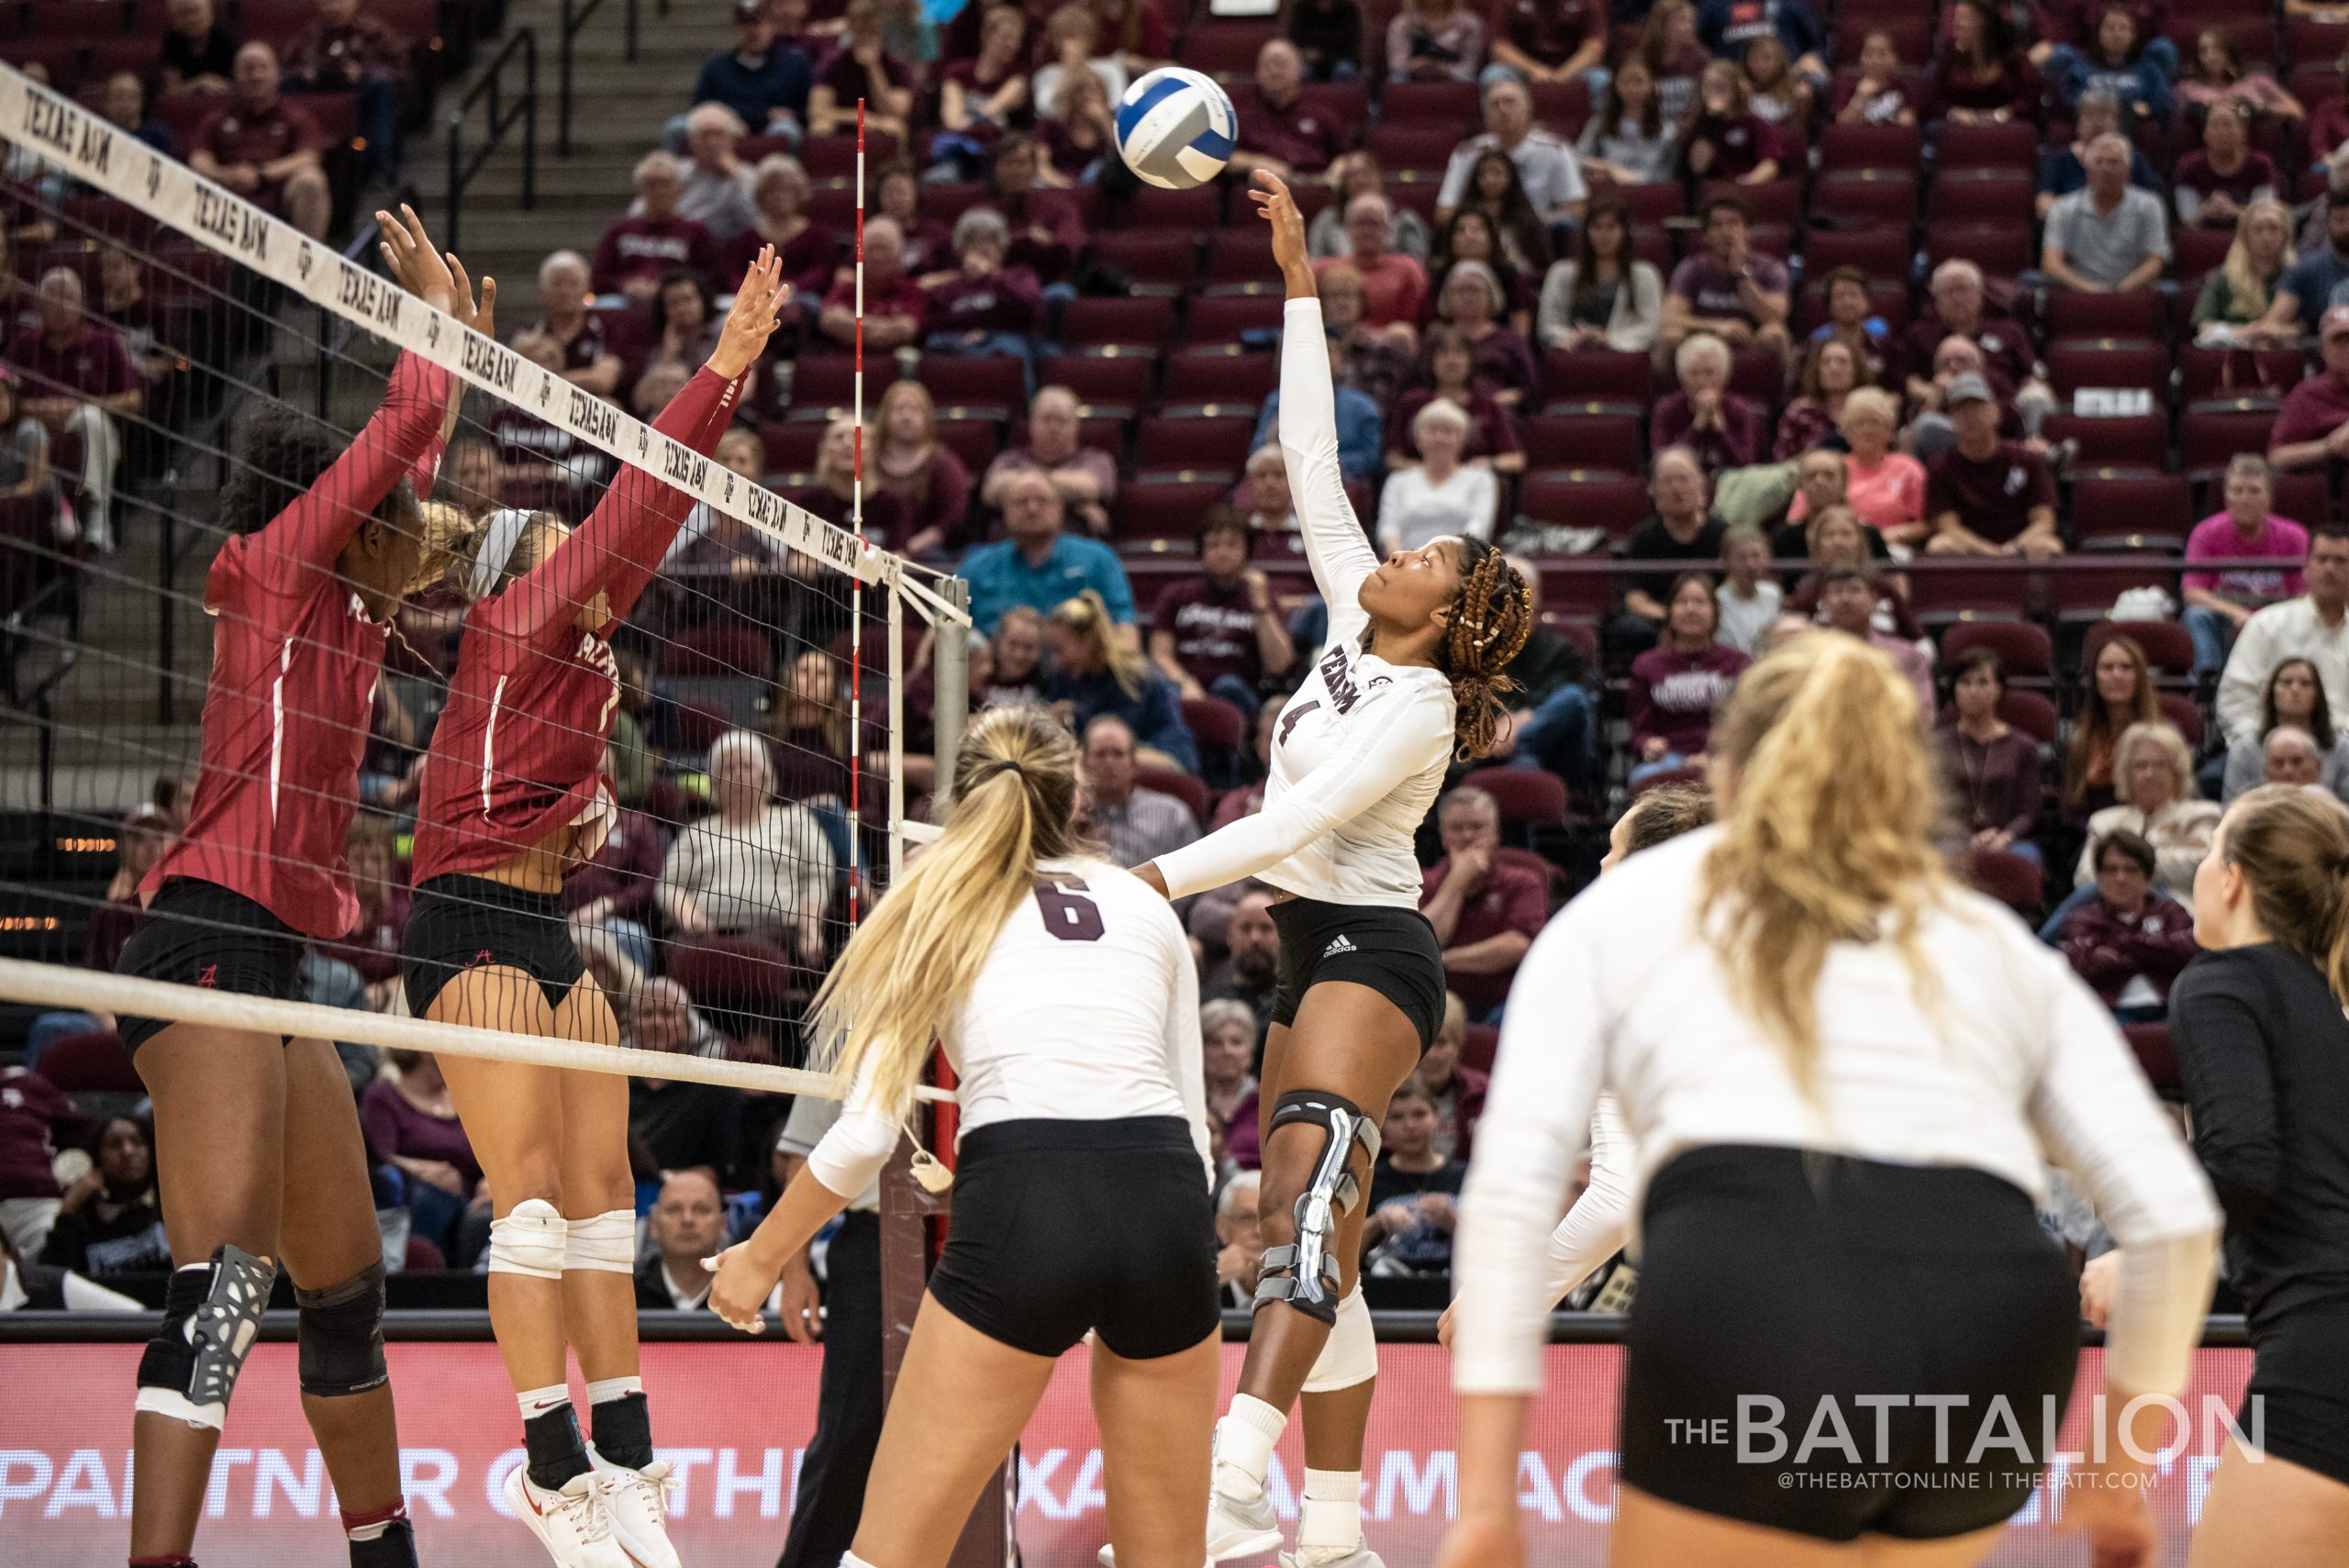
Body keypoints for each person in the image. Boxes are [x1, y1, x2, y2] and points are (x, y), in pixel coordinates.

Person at [1441, 635, 2221, 1568]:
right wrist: (2116, 1462)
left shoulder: (1623, 907)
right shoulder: (1992, 940)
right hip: (1995, 1326)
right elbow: (2173, 1217)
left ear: (1725, 775)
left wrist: (1485, 1500)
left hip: (1761, 1299)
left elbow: (1511, 1193)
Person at [1128, 171, 1532, 1568]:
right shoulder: (1362, 631)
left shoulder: (1418, 706)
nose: (1395, 552)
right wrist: (1298, 280)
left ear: (1455, 615)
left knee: (1309, 1206)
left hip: (1375, 950)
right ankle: (1342, 1532)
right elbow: (1309, 457)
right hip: (1309, 951)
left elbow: (1292, 839)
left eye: (1427, 555)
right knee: (1315, 1228)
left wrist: (1155, 881)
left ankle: (1234, 1474)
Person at [397, 256, 785, 1568]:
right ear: (528, 568)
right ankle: (547, 1465)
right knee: (533, 1204)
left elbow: (631, 537)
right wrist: (725, 367)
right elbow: (644, 502)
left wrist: (588, 812)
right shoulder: (524, 623)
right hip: (461, 920)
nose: (585, 549)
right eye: (563, 543)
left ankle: (626, 1461)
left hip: (544, 924)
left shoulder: (589, 664)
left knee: (605, 1194)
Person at [106, 206, 475, 1568]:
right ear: (342, 517)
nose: (418, 536)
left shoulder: (358, 627)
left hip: (280, 970)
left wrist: (458, 360)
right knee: (219, 1289)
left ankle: (384, 1552)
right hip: (201, 937)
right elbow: (392, 446)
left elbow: (415, 476)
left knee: (345, 1291)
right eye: (396, 520)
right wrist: (425, 345)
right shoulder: (264, 573)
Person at [706, 703, 1219, 1568]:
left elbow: (866, 1134)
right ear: (1074, 795)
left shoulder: (932, 898)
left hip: (1025, 1199)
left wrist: (760, 1255)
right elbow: (1196, 1131)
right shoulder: (1144, 904)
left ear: (957, 794)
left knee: (886, 1557)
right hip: (1165, 1208)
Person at [2165, 786, 2349, 1566]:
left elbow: (2241, 1162)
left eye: (2209, 852)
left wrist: (2143, 1256)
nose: (2201, 871)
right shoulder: (2329, 1007)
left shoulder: (2220, 981)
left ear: (2232, 878)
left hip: (2324, 1349)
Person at [658, 727, 838, 966]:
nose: (738, 774)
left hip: (779, 933)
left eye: (747, 767)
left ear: (765, 775)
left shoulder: (796, 820)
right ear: (715, 780)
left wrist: (810, 929)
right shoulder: (696, 832)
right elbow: (668, 886)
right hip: (706, 935)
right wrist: (688, 915)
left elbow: (818, 877)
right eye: (729, 768)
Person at [4, 269, 128, 558]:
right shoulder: (22, 346)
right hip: (31, 429)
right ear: (38, 305)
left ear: (82, 303)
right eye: (52, 298)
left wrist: (80, 403)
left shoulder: (104, 342)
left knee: (89, 418)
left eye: (68, 298)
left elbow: (133, 401)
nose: (60, 306)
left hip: (87, 426)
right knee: (28, 430)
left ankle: (98, 514)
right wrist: (32, 408)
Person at [1151, 508, 1297, 719]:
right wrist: (1185, 683)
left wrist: (1261, 606)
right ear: (1201, 552)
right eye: (1213, 545)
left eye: (1232, 545)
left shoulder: (1261, 596)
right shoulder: (1176, 594)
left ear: (1246, 550)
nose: (1222, 552)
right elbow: (1160, 655)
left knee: (1229, 686)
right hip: (1185, 688)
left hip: (1241, 694)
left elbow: (1280, 664)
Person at [1419, 785, 1547, 1023]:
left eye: (1477, 827)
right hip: (1439, 1004)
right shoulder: (1424, 882)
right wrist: (1456, 883)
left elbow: (1518, 945)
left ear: (1495, 832)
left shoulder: (1523, 881)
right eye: (1456, 828)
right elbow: (1425, 943)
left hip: (1502, 1005)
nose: (1467, 836)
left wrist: (1444, 960)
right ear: (1443, 836)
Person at [960, 471, 1135, 636]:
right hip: (995, 665)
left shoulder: (1098, 559)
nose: (1032, 509)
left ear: (1060, 508)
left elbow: (1124, 622)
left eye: (1042, 501)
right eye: (1021, 502)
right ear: (1005, 511)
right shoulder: (975, 567)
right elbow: (945, 630)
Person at [2218, 527, 2349, 747]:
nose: (2329, 569)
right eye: (2322, 559)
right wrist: (2266, 746)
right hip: (2272, 750)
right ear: (2306, 568)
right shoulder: (2266, 624)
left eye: (2341, 561)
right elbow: (2235, 701)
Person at [2185, 455, 2310, 678]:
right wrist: (2237, 614)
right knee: (2196, 616)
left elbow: (2303, 595)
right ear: (2226, 497)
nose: (2245, 499)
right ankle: (2207, 688)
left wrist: (2265, 620)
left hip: (2278, 620)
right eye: (2237, 490)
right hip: (2225, 618)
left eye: (2254, 491)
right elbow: (2193, 593)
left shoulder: (2294, 535)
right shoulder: (2205, 532)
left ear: (2269, 498)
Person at [2075, 720, 2221, 910]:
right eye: (2140, 766)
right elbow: (2085, 879)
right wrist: (2168, 845)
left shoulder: (2202, 815)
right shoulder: (2104, 822)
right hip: (2112, 918)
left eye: (2160, 765)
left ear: (2176, 771)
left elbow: (2201, 867)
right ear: (2126, 773)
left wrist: (2115, 866)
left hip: (2177, 917)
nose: (2149, 774)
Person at [1047, 591, 1199, 773]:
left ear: (1087, 641)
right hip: (1109, 759)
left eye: (1059, 650)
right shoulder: (1066, 676)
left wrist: (1076, 717)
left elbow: (1115, 743)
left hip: (1163, 756)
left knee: (1099, 759)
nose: (1055, 660)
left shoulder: (1132, 678)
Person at [2056, 828, 2201, 1021]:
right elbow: (2082, 965)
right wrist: (2152, 950)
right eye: (2110, 870)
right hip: (2107, 1015)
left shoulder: (2170, 911)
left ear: (2148, 877)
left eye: (2131, 869)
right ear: (2098, 878)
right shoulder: (2082, 919)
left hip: (2171, 1010)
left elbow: (2190, 953)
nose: (2120, 878)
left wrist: (2119, 947)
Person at [190, 43, 329, 239]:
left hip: (277, 191)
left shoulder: (297, 117)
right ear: (235, 76)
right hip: (226, 193)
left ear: (276, 74)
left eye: (263, 68)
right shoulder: (216, 119)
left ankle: (306, 262)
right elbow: (198, 159)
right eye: (248, 70)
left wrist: (260, 175)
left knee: (311, 180)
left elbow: (309, 158)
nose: (256, 76)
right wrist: (224, 175)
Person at [1898, 259, 2051, 439]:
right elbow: (1907, 379)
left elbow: (2032, 374)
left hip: (2004, 407)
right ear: (1936, 300)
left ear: (1980, 294)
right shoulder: (1919, 334)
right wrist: (1931, 391)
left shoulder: (2009, 330)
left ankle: (2035, 446)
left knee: (2037, 395)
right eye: (1948, 292)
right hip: (1948, 412)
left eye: (1963, 289)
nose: (1957, 298)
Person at [1628, 573, 1750, 785]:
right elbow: (1640, 731)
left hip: (1725, 755)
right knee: (1642, 777)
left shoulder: (1737, 663)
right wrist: (1648, 744)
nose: (1690, 609)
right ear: (1670, 612)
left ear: (1715, 612)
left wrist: (1712, 755)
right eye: (1682, 602)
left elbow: (1746, 724)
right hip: (1669, 759)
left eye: (1700, 602)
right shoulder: (1647, 665)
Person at [1923, 374, 2062, 559]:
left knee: (2047, 545)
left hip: (2021, 546)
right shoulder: (1940, 467)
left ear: (1996, 413)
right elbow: (1948, 526)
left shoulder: (2027, 460)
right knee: (1939, 545)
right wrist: (1987, 550)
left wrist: (2014, 547)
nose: (1970, 416)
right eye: (1961, 410)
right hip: (1969, 548)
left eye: (1978, 407)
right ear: (1952, 420)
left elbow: (2044, 521)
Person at [357, 1051, 480, 1252]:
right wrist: (424, 1170)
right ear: (426, 1053)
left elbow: (485, 1153)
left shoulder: (465, 1096)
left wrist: (490, 1183)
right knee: (430, 1201)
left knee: (486, 1218)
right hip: (415, 1195)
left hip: (470, 1197)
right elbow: (379, 1157)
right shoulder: (383, 1096)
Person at [1613, 447, 1726, 647]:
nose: (1676, 488)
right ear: (1653, 491)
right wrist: (1678, 618)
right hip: (1660, 620)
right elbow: (1635, 598)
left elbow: (1734, 592)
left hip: (1716, 619)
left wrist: (1701, 615)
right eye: (1667, 481)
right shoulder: (1643, 538)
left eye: (1684, 479)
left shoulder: (1723, 534)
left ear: (1701, 484)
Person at [1939, 647, 2043, 862]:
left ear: (1999, 689)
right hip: (1950, 838)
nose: (1973, 691)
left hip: (2010, 839)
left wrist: (2006, 836)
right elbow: (1932, 807)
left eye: (1983, 682)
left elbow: (2029, 810)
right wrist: (1967, 838)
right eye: (1965, 683)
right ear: (1955, 691)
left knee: (2026, 861)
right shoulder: (1937, 744)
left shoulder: (2022, 746)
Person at [1435, 77, 1585, 225]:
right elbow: (1445, 212)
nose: (1503, 109)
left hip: (1535, 234)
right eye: (1495, 104)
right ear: (1484, 114)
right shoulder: (1467, 153)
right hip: (1482, 237)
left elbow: (1576, 210)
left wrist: (1524, 225)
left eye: (1510, 102)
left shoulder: (1555, 150)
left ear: (1528, 108)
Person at [37, 1116, 169, 1278]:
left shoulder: (174, 1206)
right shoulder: (82, 1218)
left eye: (138, 1142)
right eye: (114, 1144)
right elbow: (50, 1281)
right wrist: (69, 1208)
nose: (127, 1151)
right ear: (97, 1156)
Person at [979, 384, 1119, 536]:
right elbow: (991, 491)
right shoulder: (1009, 459)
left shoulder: (1096, 460)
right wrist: (1076, 503)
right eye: (1046, 419)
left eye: (1061, 421)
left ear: (1076, 425)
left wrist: (1020, 490)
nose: (1053, 428)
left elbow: (1089, 487)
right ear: (1031, 424)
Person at [1660, 195, 1790, 357]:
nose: (1726, 232)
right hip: (1703, 341)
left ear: (1748, 231)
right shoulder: (1691, 268)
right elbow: (1670, 318)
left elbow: (1775, 317)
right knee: (1670, 334)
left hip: (1751, 341)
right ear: (1705, 236)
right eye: (1717, 225)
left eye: (1733, 223)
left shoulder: (1771, 268)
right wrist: (1717, 326)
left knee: (1775, 333)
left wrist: (1742, 274)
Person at [2043, 132, 2172, 295]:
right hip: (2079, 295)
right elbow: (2052, 263)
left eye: (2114, 162)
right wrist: (2089, 289)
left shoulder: (2150, 205)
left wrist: (2121, 290)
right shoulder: (2063, 208)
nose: (2105, 169)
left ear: (2129, 169)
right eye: (2098, 162)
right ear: (2087, 169)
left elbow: (2155, 261)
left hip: (2132, 295)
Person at [1362, 1078, 1464, 1276]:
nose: (1409, 1125)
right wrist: (1377, 1222)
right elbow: (1342, 1255)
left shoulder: (1465, 1176)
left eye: (1419, 1114)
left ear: (1436, 1117)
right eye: (1396, 1117)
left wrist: (1454, 1223)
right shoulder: (1368, 1180)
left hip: (1453, 1294)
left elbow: (1496, 1253)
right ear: (1382, 1126)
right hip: (1385, 1297)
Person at [1536, 196, 1663, 355]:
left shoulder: (1645, 274)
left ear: (1624, 231)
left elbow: (1650, 328)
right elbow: (1546, 326)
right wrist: (1575, 336)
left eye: (1611, 227)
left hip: (1623, 357)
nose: (1604, 235)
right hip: (1572, 354)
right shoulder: (1561, 272)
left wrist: (1607, 338)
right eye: (1596, 227)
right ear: (1586, 231)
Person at [591, 152, 723, 300]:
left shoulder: (697, 232)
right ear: (640, 191)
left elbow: (713, 278)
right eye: (652, 184)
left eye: (666, 184)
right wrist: (624, 285)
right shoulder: (619, 231)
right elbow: (598, 278)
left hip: (676, 304)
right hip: (625, 302)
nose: (659, 191)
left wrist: (667, 288)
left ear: (678, 190)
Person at [870, 380, 973, 562]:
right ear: (884, 416)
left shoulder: (943, 463)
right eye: (898, 409)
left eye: (915, 409)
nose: (906, 416)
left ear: (927, 417)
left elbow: (952, 518)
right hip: (873, 549)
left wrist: (908, 548)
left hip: (927, 555)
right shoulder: (868, 460)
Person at [1378, 399, 1498, 552]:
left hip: (1461, 563)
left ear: (1462, 440)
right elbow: (1388, 530)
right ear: (1418, 440)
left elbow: (1478, 529)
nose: (1439, 438)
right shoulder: (1397, 481)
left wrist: (1444, 560)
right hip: (1408, 562)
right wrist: (1402, 559)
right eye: (1432, 431)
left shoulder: (1480, 479)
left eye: (1448, 431)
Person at [2222, 658, 2349, 802]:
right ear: (2272, 692)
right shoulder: (2244, 749)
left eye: (2305, 683)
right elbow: (2232, 812)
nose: (2295, 689)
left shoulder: (2342, 749)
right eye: (2287, 682)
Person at [1081, 713, 1199, 864]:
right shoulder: (1071, 818)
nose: (1109, 763)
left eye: (1118, 754)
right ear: (1084, 763)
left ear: (1134, 764)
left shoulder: (1172, 815)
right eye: (1100, 754)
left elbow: (1197, 873)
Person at [2065, 634, 2162, 817]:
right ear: (2096, 677)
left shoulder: (2161, 737)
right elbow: (2071, 808)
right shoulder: (2079, 738)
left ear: (2140, 676)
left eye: (2126, 667)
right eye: (2107, 668)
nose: (2116, 675)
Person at [690, 0, 813, 142]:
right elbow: (700, 108)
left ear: (771, 26)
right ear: (736, 28)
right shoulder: (716, 68)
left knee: (785, 128)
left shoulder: (795, 65)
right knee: (678, 126)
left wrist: (792, 116)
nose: (753, 30)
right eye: (746, 24)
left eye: (758, 23)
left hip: (776, 130)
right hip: (725, 131)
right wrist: (732, 119)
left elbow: (807, 111)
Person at [1816, 566, 1932, 711]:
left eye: (1855, 590)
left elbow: (1923, 712)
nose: (1845, 599)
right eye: (1837, 591)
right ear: (1823, 604)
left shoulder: (1908, 655)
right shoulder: (1806, 656)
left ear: (1875, 601)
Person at [1649, 332, 1762, 480]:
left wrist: (1721, 429)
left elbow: (1745, 465)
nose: (1702, 381)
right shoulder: (1666, 409)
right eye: (1694, 373)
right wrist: (1697, 426)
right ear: (1682, 378)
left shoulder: (1738, 409)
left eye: (1710, 372)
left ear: (1724, 377)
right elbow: (1662, 464)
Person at [1233, 39, 1348, 179]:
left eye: (1280, 64)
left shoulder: (1321, 112)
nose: (1274, 71)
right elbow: (1226, 158)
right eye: (1267, 65)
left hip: (1315, 184)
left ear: (1299, 68)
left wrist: (1337, 171)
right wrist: (1255, 162)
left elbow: (1346, 155)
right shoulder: (1244, 117)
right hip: (1268, 189)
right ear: (1257, 73)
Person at [2194, 197, 2295, 345]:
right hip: (2234, 350)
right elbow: (2204, 326)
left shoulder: (2299, 275)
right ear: (2244, 236)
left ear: (2286, 235)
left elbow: (2307, 326)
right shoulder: (2220, 277)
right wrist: (2251, 332)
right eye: (2257, 229)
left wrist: (2276, 332)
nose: (2266, 237)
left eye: (2273, 228)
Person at [807, 0, 915, 139]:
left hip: (879, 123)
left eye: (871, 31)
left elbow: (898, 111)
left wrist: (873, 68)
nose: (865, 37)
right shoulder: (833, 64)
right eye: (860, 31)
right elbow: (817, 111)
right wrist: (857, 117)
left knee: (894, 127)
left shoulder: (896, 67)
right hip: (845, 122)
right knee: (820, 126)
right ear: (851, 30)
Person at [1929, 0, 2041, 123]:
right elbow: (1932, 100)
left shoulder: (2013, 57)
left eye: (1964, 18)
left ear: (1985, 23)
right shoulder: (1949, 54)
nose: (1956, 25)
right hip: (1957, 127)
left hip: (2005, 127)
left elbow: (2031, 101)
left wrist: (2000, 115)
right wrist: (1953, 113)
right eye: (1955, 18)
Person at [632, 1170, 728, 1311]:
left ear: (722, 1225)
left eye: (701, 1209)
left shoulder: (751, 1290)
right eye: (674, 1210)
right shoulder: (627, 1292)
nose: (687, 1219)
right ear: (654, 1225)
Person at [2176, 101, 2278, 232]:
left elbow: (2265, 215)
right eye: (2214, 125)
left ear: (2242, 132)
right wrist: (2207, 211)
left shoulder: (2260, 164)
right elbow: (2187, 218)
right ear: (2205, 133)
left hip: (2250, 236)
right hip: (2203, 235)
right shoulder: (2188, 165)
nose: (2221, 132)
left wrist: (2234, 210)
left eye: (2227, 125)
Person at [1679, 60, 1783, 186]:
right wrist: (1711, 121)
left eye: (1719, 87)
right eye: (1707, 87)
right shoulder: (1697, 125)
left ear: (1734, 90)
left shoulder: (1753, 123)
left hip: (1746, 188)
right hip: (1711, 191)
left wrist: (1748, 182)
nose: (1713, 93)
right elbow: (1699, 167)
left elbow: (1770, 164)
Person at [1574, 60, 1676, 185]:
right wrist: (1599, 166)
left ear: (1652, 85)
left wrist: (1629, 177)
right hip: (1609, 189)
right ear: (1615, 84)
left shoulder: (1668, 129)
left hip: (1650, 192)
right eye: (1625, 81)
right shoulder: (1601, 122)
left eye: (1638, 81)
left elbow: (1668, 174)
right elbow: (1578, 156)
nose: (1632, 88)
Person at [1773, 335, 1863, 462]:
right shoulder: (1800, 413)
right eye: (1826, 362)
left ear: (1856, 369)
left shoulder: (1867, 413)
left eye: (1842, 361)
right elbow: (1782, 462)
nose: (1834, 368)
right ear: (1817, 370)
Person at [1713, 524, 1781, 655]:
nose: (1750, 565)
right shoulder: (1716, 600)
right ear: (1725, 561)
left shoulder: (1773, 594)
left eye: (1756, 556)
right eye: (1741, 558)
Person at [1832, 28, 1917, 124]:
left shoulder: (1902, 89)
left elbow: (1908, 124)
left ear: (1894, 58)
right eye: (1868, 54)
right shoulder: (1848, 88)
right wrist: (1860, 96)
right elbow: (1842, 124)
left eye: (1882, 54)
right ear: (1860, 57)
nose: (1875, 61)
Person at [1388, 0, 1486, 83]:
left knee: (1467, 81)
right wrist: (1415, 65)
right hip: (1412, 74)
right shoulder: (1402, 23)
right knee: (1396, 79)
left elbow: (1469, 66)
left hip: (1455, 74)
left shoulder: (1469, 24)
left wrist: (1445, 69)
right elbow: (1397, 64)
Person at [161, 0, 239, 94]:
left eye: (195, 11)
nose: (190, 19)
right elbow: (172, 89)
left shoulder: (226, 38)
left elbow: (238, 85)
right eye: (183, 14)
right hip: (186, 102)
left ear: (210, 13)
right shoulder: (173, 41)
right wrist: (199, 84)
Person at [1289, 0, 1364, 82]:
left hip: (1340, 58)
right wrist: (1306, 52)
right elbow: (1294, 43)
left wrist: (1323, 56)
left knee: (1345, 71)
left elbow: (1352, 45)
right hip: (1309, 61)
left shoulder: (1350, 10)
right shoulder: (1301, 10)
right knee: (1300, 72)